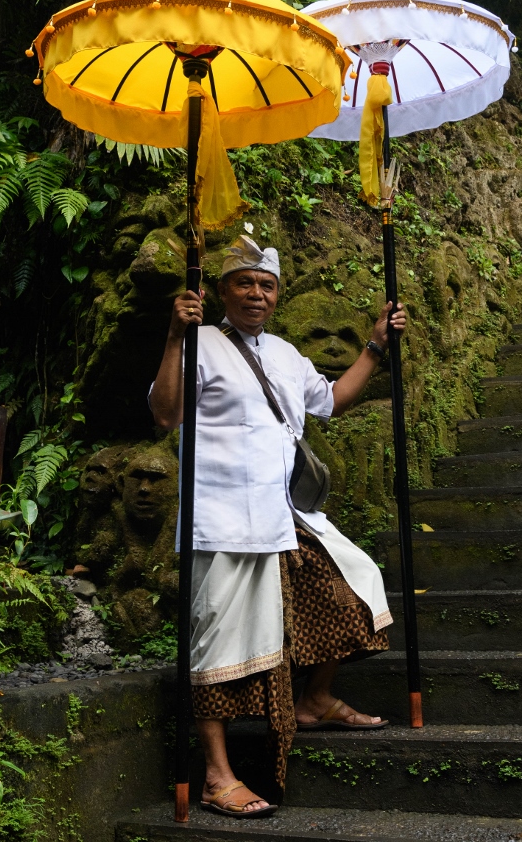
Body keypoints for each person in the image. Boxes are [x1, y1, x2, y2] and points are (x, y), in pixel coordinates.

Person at [150, 235, 406, 819]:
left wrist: (375, 344)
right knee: (219, 642)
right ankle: (217, 776)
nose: (257, 294)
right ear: (221, 291)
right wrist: (172, 336)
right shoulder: (200, 344)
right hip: (222, 523)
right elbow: (165, 415)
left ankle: (314, 696)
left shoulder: (287, 354)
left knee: (355, 582)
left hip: (285, 515)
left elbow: (332, 400)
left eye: (266, 285)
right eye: (245, 283)